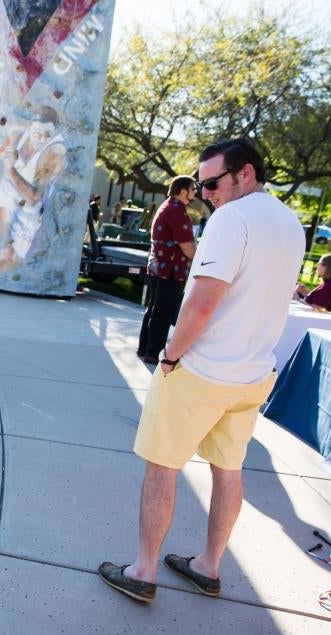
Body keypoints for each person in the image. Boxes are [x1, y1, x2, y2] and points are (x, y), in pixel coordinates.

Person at [99, 138, 304, 603]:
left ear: (245, 173)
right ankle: (208, 566)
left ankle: (143, 570)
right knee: (228, 469)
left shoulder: (234, 218)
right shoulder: (289, 223)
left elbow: (204, 299)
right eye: (201, 183)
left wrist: (170, 354)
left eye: (212, 182)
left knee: (162, 467)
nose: (205, 191)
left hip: (203, 369)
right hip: (253, 373)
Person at [0, 106, 67, 278]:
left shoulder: (54, 152)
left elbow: (34, 197)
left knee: (11, 257)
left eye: (47, 135)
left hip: (33, 208)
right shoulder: (17, 135)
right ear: (31, 125)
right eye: (38, 133)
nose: (41, 139)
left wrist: (11, 170)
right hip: (7, 192)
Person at [137, 176, 198, 364]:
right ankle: (153, 352)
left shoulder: (167, 206)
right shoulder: (176, 211)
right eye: (192, 189)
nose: (195, 192)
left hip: (158, 268)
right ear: (182, 191)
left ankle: (145, 348)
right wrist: (199, 259)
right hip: (170, 270)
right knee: (163, 312)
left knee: (154, 309)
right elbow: (186, 245)